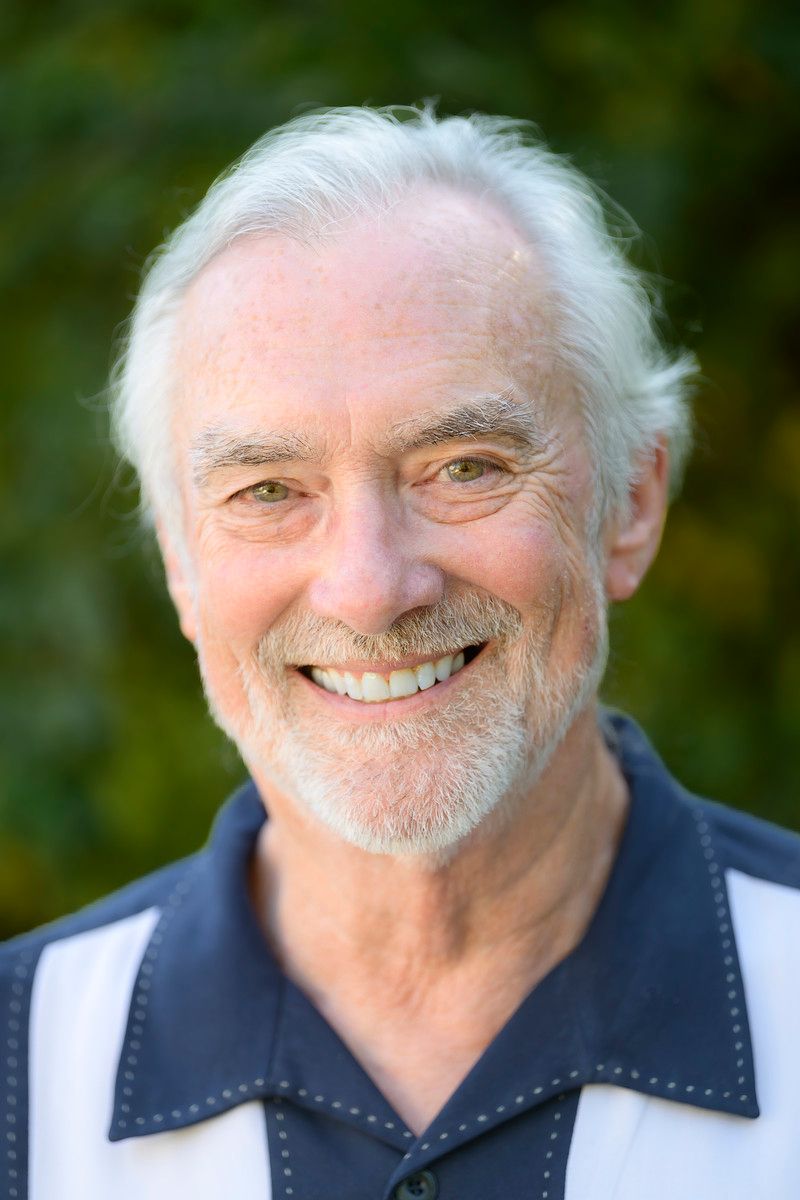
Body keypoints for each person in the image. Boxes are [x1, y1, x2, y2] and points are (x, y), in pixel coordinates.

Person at [2, 106, 798, 1200]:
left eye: (462, 467)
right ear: (182, 566)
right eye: (269, 492)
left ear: (632, 502)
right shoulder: (18, 1077)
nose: (371, 589)